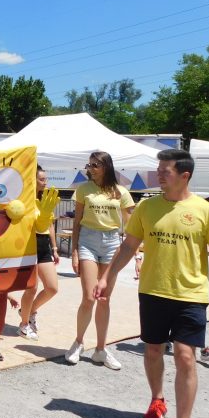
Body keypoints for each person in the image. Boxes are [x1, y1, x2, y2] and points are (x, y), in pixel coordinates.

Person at [95, 149, 209, 418]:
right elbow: (129, 246)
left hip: (190, 295)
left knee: (185, 356)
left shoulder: (206, 211)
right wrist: (106, 276)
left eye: (165, 171)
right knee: (153, 351)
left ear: (185, 175)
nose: (159, 175)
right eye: (158, 170)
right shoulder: (147, 207)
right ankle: (157, 399)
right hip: (153, 291)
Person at [66, 152, 136, 370]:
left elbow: (133, 226)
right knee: (89, 297)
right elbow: (76, 222)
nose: (91, 168)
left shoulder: (121, 192)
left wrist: (138, 255)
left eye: (95, 165)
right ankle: (78, 342)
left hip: (112, 242)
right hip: (88, 240)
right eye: (90, 164)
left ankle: (100, 350)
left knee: (104, 299)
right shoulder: (83, 189)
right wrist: (74, 252)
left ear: (107, 166)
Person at [18, 166, 60, 340]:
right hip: (28, 244)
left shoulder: (45, 199)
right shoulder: (24, 200)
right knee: (32, 288)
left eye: (45, 179)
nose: (45, 182)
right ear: (32, 180)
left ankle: (29, 311)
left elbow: (50, 225)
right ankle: (24, 325)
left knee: (52, 288)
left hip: (44, 245)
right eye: (41, 179)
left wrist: (55, 248)